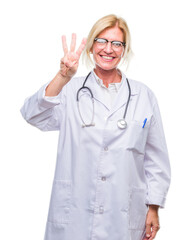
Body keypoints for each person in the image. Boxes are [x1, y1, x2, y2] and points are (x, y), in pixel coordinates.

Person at [21, 14, 171, 240]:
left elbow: (156, 159)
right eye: (102, 41)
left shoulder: (144, 96)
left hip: (123, 214)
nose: (108, 49)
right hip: (75, 213)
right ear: (91, 46)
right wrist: (62, 76)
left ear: (124, 49)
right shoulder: (70, 90)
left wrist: (154, 207)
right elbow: (32, 115)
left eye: (116, 43)